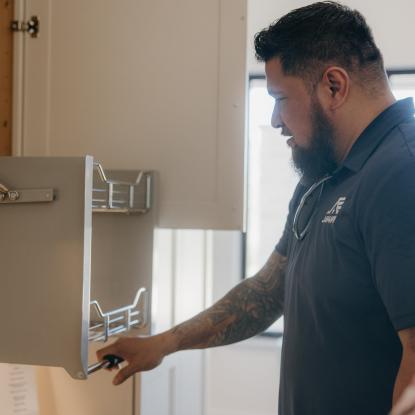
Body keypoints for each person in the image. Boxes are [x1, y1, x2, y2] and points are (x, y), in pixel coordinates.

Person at [97, 2, 415, 414]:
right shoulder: (323, 174)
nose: (275, 119)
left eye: (280, 98)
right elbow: (269, 290)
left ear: (334, 86)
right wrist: (166, 343)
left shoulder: (401, 173)